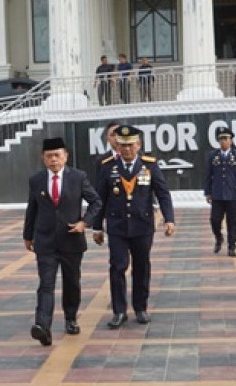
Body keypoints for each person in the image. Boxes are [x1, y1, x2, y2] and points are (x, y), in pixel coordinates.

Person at [93, 125, 175, 329]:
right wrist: (96, 227)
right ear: (117, 146)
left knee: (141, 266)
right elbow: (100, 198)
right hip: (117, 226)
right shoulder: (107, 166)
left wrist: (169, 219)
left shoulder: (150, 165)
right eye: (122, 145)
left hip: (142, 225)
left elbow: (163, 193)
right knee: (117, 267)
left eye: (131, 145)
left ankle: (140, 308)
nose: (127, 149)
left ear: (138, 145)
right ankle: (119, 311)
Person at [23, 138, 102, 346]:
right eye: (49, 156)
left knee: (71, 282)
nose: (53, 160)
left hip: (71, 240)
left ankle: (70, 318)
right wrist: (27, 235)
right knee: (46, 284)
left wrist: (84, 223)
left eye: (57, 155)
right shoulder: (36, 180)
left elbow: (96, 202)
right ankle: (43, 326)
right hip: (45, 240)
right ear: (43, 158)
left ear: (65, 156)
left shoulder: (78, 177)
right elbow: (32, 209)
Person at [204, 127, 236, 257]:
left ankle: (232, 247)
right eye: (221, 139)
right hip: (217, 194)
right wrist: (207, 192)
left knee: (232, 222)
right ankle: (219, 238)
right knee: (215, 220)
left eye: (226, 139)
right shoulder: (213, 156)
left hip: (232, 194)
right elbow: (208, 175)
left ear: (231, 141)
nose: (224, 142)